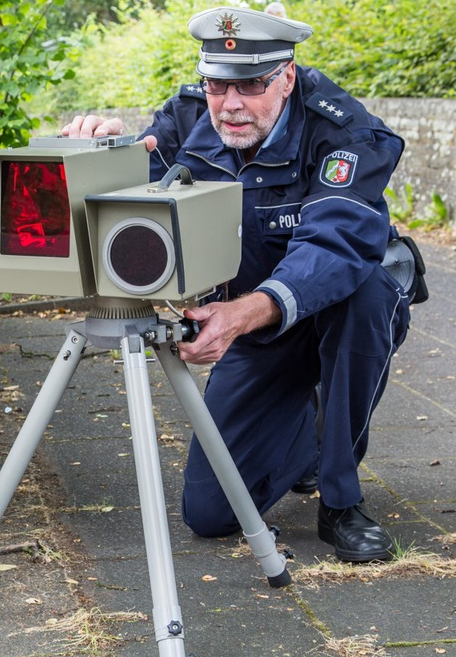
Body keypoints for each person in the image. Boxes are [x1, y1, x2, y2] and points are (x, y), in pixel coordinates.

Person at [62, 6, 411, 562]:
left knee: (367, 294)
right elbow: (135, 201)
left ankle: (340, 499)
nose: (231, 105)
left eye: (250, 84)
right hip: (253, 328)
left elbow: (334, 247)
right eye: (218, 84)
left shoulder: (342, 131)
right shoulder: (186, 117)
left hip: (331, 309)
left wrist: (242, 313)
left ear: (287, 76)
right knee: (210, 515)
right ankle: (305, 427)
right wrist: (95, 151)